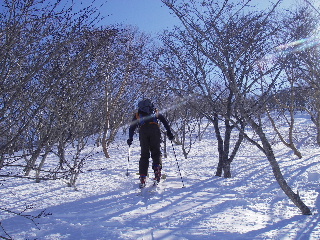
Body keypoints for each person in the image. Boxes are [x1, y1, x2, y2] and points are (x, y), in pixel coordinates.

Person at [127, 99, 174, 188]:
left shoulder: (138, 114)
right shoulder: (155, 111)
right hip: (155, 130)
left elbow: (132, 127)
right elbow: (164, 122)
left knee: (144, 155)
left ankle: (143, 177)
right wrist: (169, 133)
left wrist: (130, 138)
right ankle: (157, 172)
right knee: (156, 152)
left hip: (143, 131)